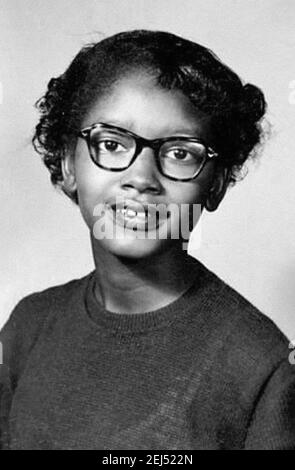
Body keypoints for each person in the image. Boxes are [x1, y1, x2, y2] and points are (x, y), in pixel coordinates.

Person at [1, 29, 294, 450]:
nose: (140, 177)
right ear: (68, 165)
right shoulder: (27, 327)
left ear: (216, 185)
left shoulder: (261, 368)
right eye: (112, 143)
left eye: (179, 153)